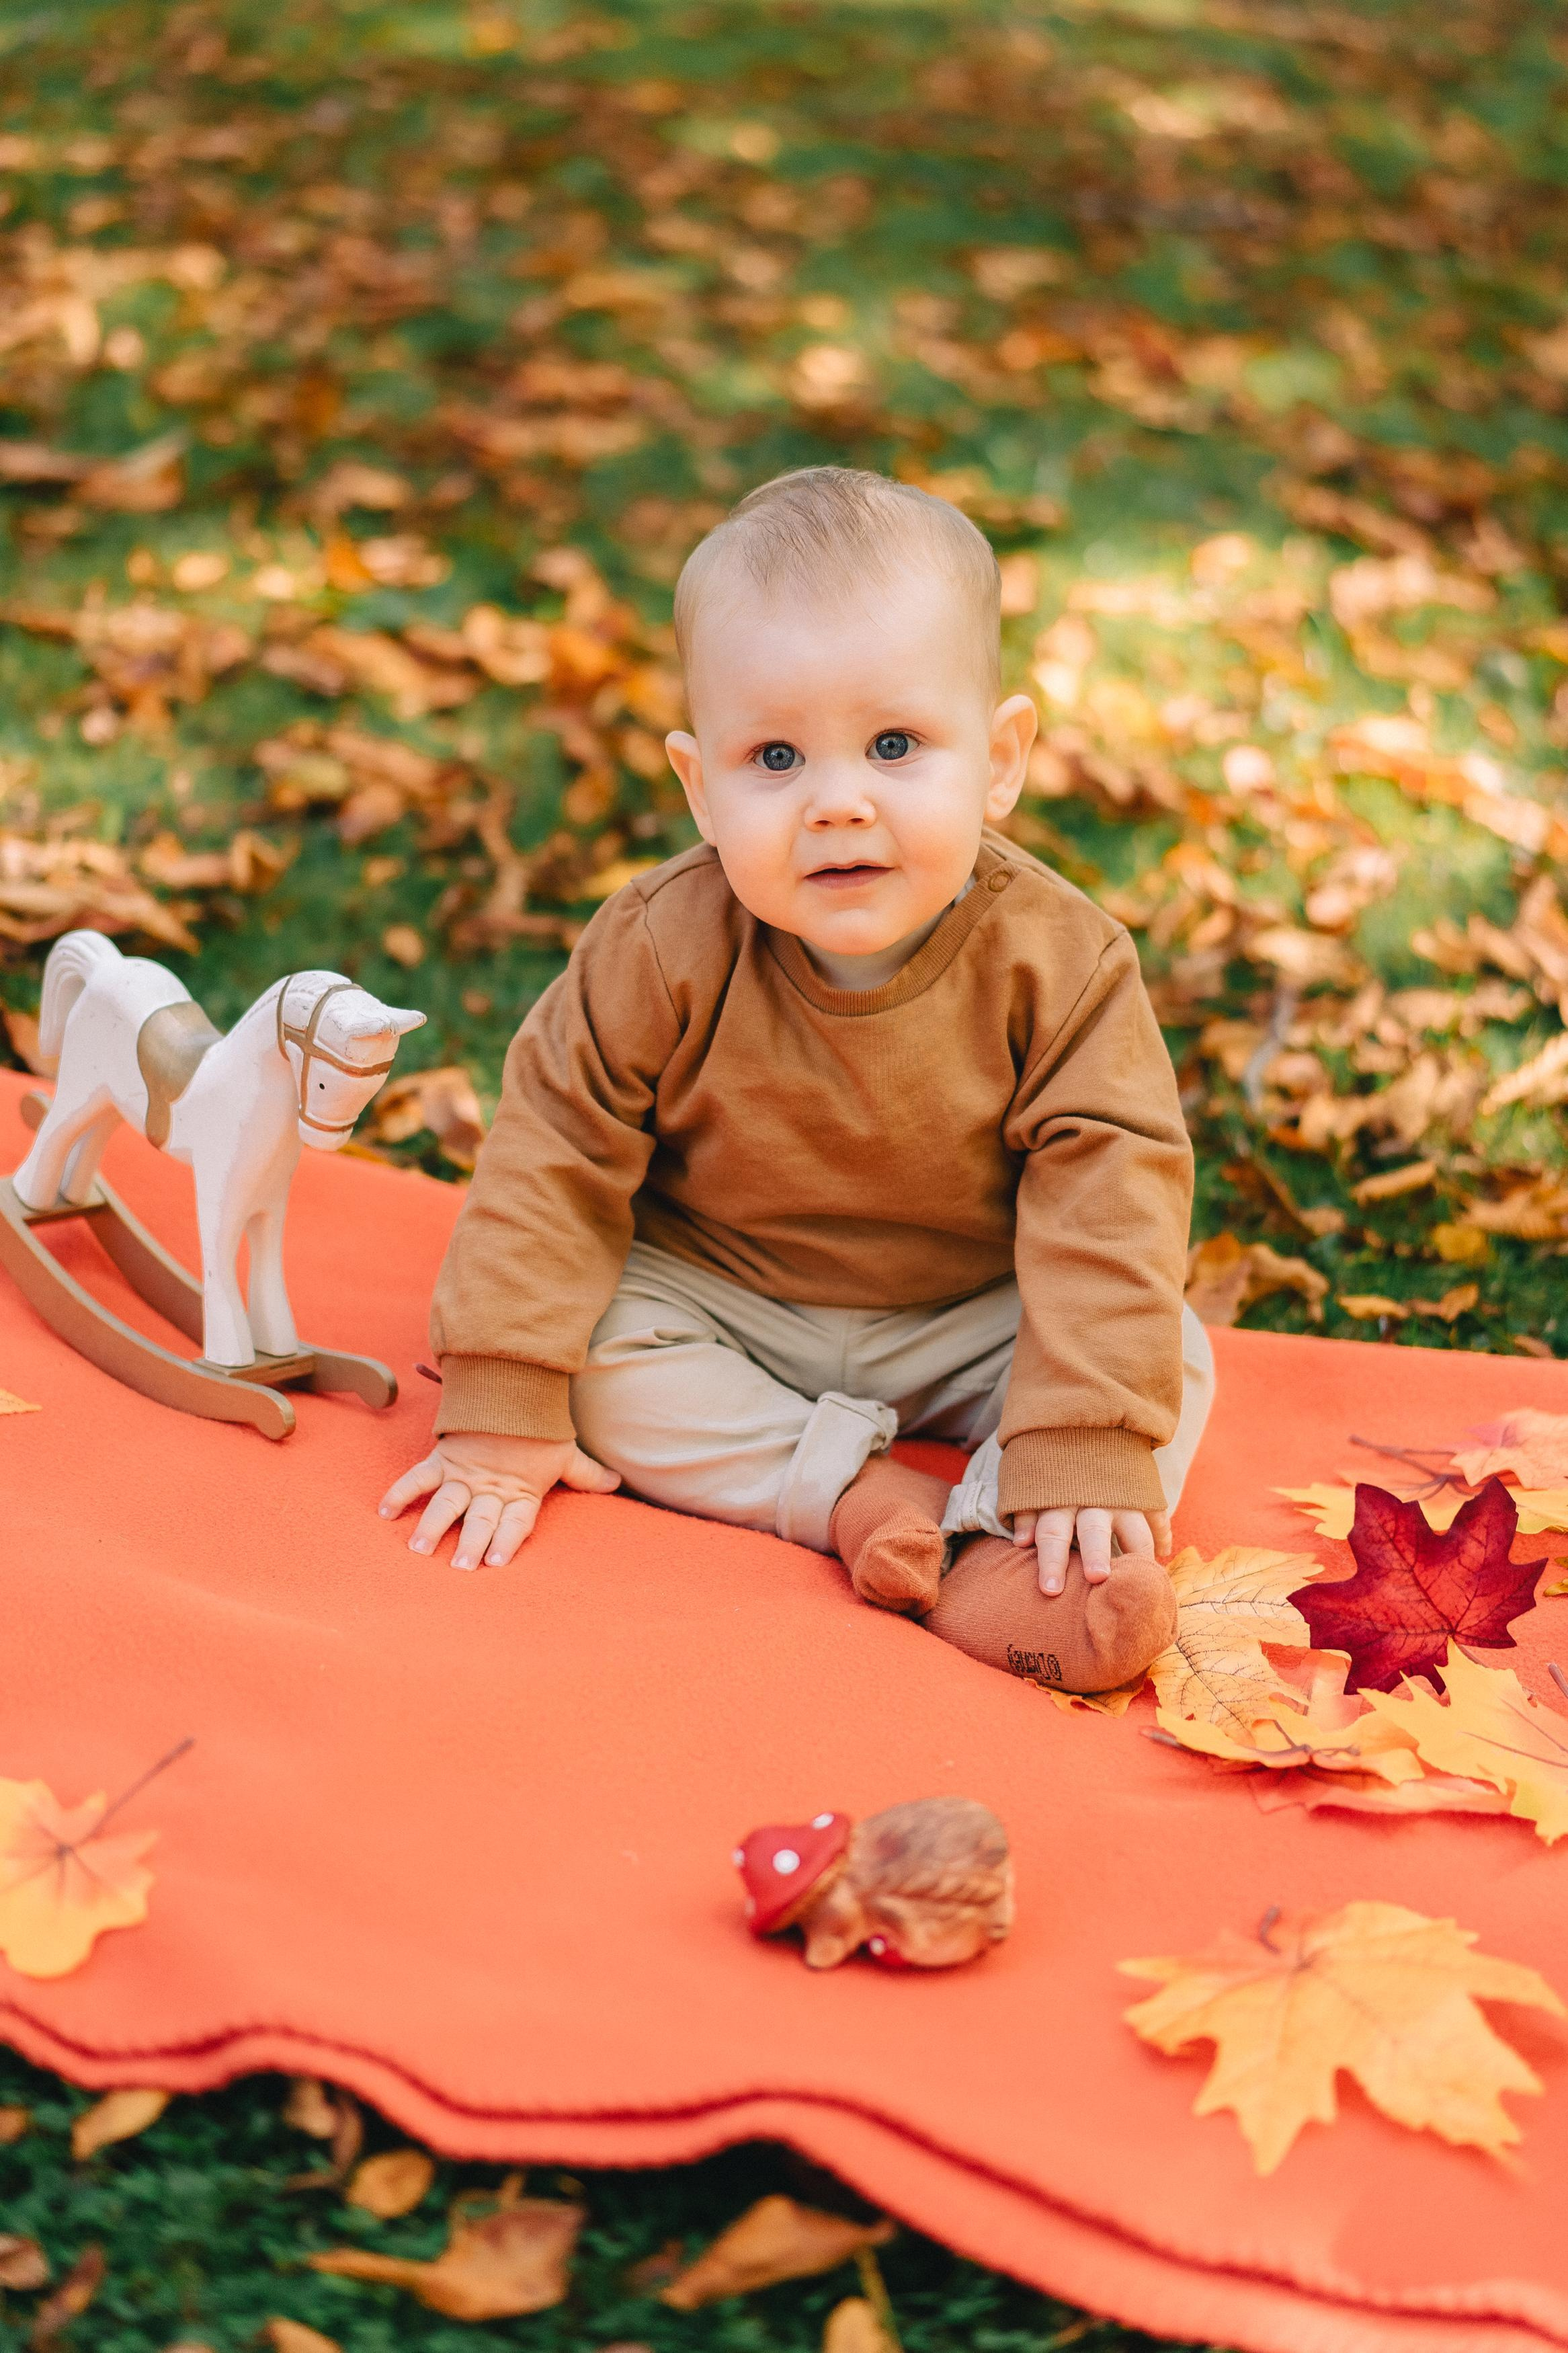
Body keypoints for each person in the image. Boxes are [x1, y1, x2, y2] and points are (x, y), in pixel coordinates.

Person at [379, 467, 1213, 1693]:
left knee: (1163, 1356)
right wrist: (505, 1404)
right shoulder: (660, 946)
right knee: (584, 1358)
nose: (836, 803)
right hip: (723, 1297)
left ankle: (1008, 1543)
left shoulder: (1058, 960)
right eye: (774, 755)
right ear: (697, 787)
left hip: (965, 1311)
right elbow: (550, 1157)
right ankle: (847, 1494)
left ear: (999, 760)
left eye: (893, 745)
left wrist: (1083, 1436)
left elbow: (1112, 1194)